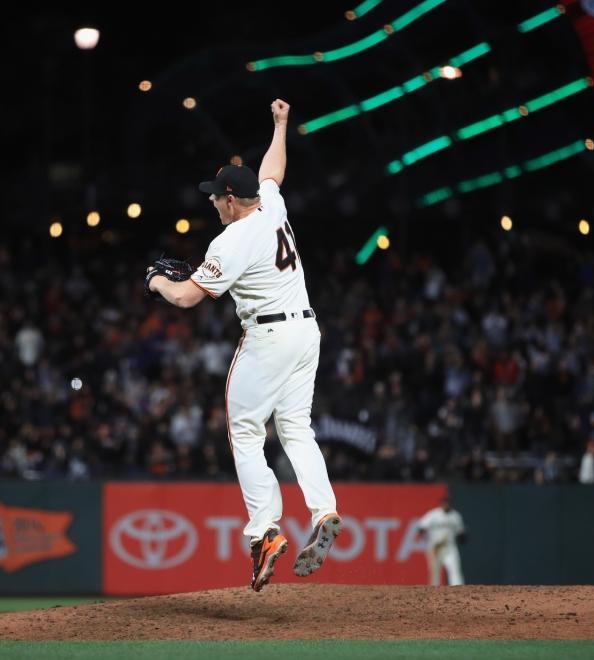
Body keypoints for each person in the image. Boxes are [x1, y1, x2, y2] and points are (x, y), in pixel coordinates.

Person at [145, 99, 341, 592]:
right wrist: (280, 126)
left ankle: (264, 533)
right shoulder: (269, 205)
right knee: (296, 428)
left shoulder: (231, 239)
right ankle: (324, 509)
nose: (212, 203)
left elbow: (188, 297)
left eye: (216, 197)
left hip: (270, 335)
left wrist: (157, 285)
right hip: (306, 330)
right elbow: (273, 172)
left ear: (233, 199)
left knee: (246, 434)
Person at [418, 496, 466, 586]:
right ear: (441, 504)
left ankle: (458, 589)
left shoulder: (456, 516)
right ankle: (434, 590)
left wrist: (462, 536)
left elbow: (461, 531)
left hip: (450, 547)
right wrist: (425, 537)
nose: (446, 505)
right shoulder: (434, 514)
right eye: (444, 503)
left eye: (447, 503)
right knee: (435, 570)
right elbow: (422, 527)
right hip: (435, 546)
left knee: (454, 568)